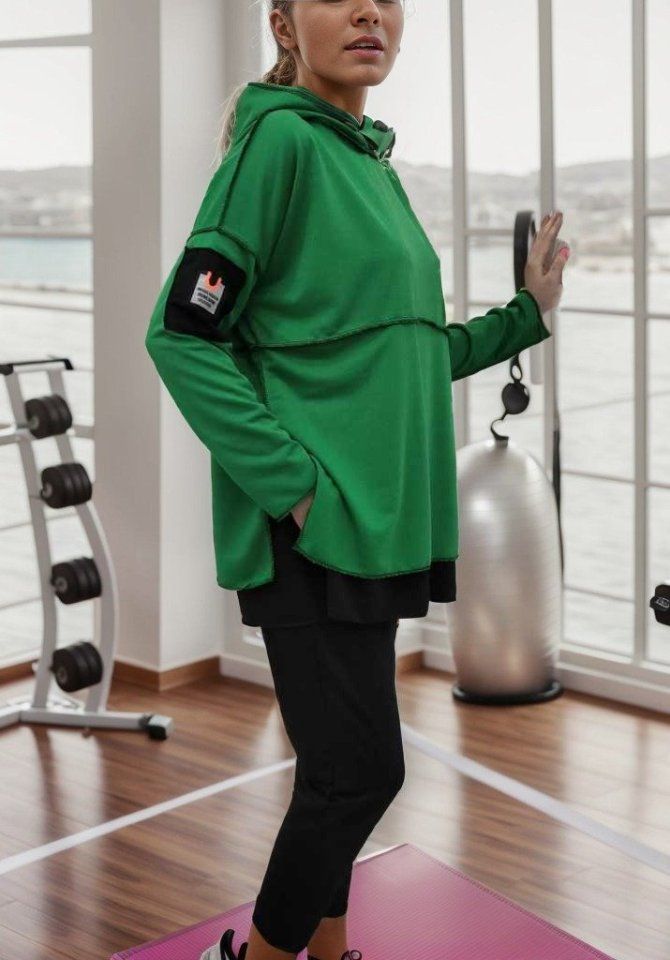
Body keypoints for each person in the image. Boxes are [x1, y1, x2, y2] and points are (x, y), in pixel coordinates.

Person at [144, 2, 569, 958]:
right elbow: (182, 334)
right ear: (284, 23)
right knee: (359, 775)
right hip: (314, 530)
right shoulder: (279, 146)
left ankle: (330, 950)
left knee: (335, 769)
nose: (371, 10)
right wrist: (296, 487)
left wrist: (526, 314)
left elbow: (405, 355)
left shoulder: (367, 162)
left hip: (370, 530)